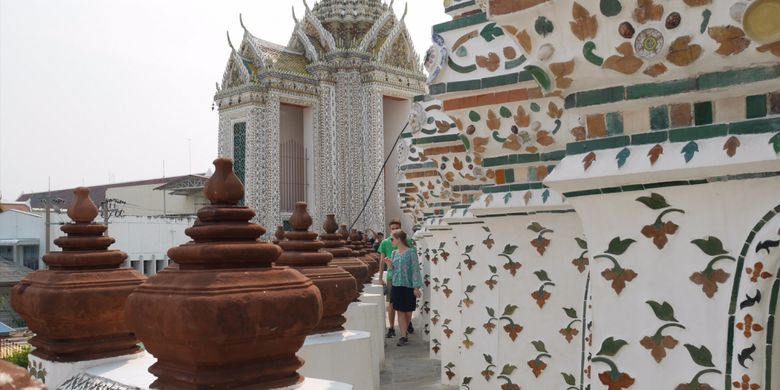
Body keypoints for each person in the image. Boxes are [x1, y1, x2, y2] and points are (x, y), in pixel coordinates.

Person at [378, 219, 415, 337]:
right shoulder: (385, 242)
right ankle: (392, 328)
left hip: (406, 279)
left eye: (396, 228)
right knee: (391, 304)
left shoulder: (407, 241)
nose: (394, 230)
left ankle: (407, 324)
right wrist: (380, 277)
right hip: (391, 276)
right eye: (392, 228)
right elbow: (382, 260)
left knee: (407, 306)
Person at [389, 229, 422, 346]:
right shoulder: (394, 253)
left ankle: (405, 332)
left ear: (399, 239)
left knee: (408, 311)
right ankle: (403, 336)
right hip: (397, 285)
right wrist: (390, 265)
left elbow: (415, 270)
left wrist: (416, 287)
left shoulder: (411, 252)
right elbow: (394, 271)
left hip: (409, 286)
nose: (391, 241)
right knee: (400, 311)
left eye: (392, 239)